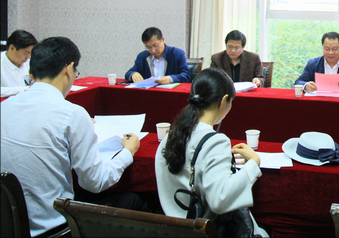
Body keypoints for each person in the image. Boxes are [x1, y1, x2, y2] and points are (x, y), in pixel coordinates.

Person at [1, 37, 141, 237]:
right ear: (69, 69)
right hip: (55, 229)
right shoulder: (72, 114)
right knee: (134, 201)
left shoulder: (4, 107)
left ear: (32, 73)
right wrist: (127, 152)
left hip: (10, 225)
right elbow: (95, 182)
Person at [155, 68, 268, 236]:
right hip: (203, 230)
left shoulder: (170, 136)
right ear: (223, 101)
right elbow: (220, 200)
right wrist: (253, 163)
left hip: (174, 229)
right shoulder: (216, 142)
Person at [294, 32, 339, 96]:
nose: (331, 53)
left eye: (335, 49)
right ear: (322, 47)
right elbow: (299, 81)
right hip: (318, 101)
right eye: (327, 49)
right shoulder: (312, 64)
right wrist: (306, 86)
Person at [125, 27, 191, 84]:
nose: (153, 50)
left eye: (155, 46)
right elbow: (129, 73)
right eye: (148, 47)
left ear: (163, 40)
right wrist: (133, 74)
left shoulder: (177, 54)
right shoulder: (143, 56)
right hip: (149, 92)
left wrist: (170, 78)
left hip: (170, 92)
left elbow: (186, 75)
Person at [1, 29, 37, 97]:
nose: (28, 57)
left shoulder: (30, 62)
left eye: (30, 53)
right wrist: (23, 90)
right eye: (26, 53)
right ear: (12, 48)